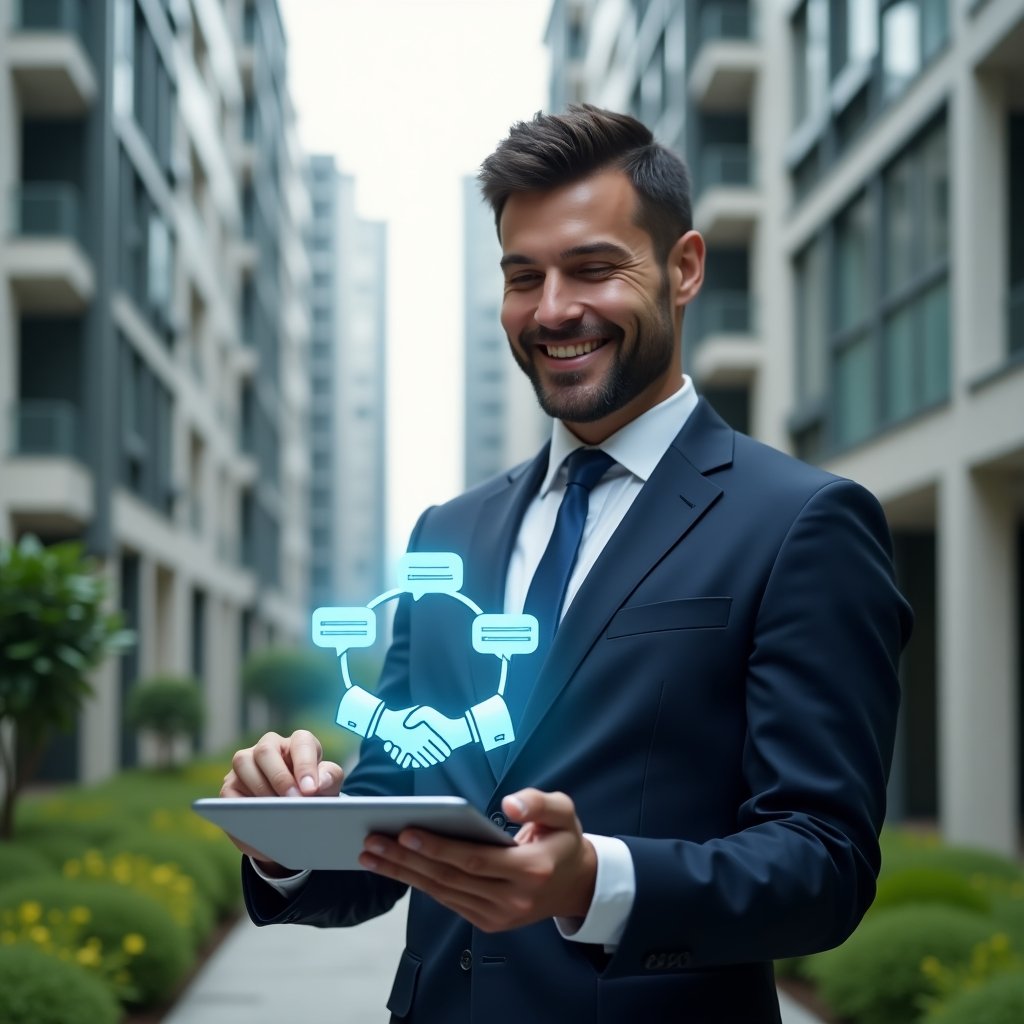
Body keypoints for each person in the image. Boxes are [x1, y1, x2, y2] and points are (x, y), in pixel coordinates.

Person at [222, 105, 913, 1023]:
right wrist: (292, 830)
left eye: (592, 269)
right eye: (523, 277)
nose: (552, 311)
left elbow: (823, 862)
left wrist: (595, 882)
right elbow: (395, 816)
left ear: (685, 268)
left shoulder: (805, 524)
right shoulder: (448, 536)